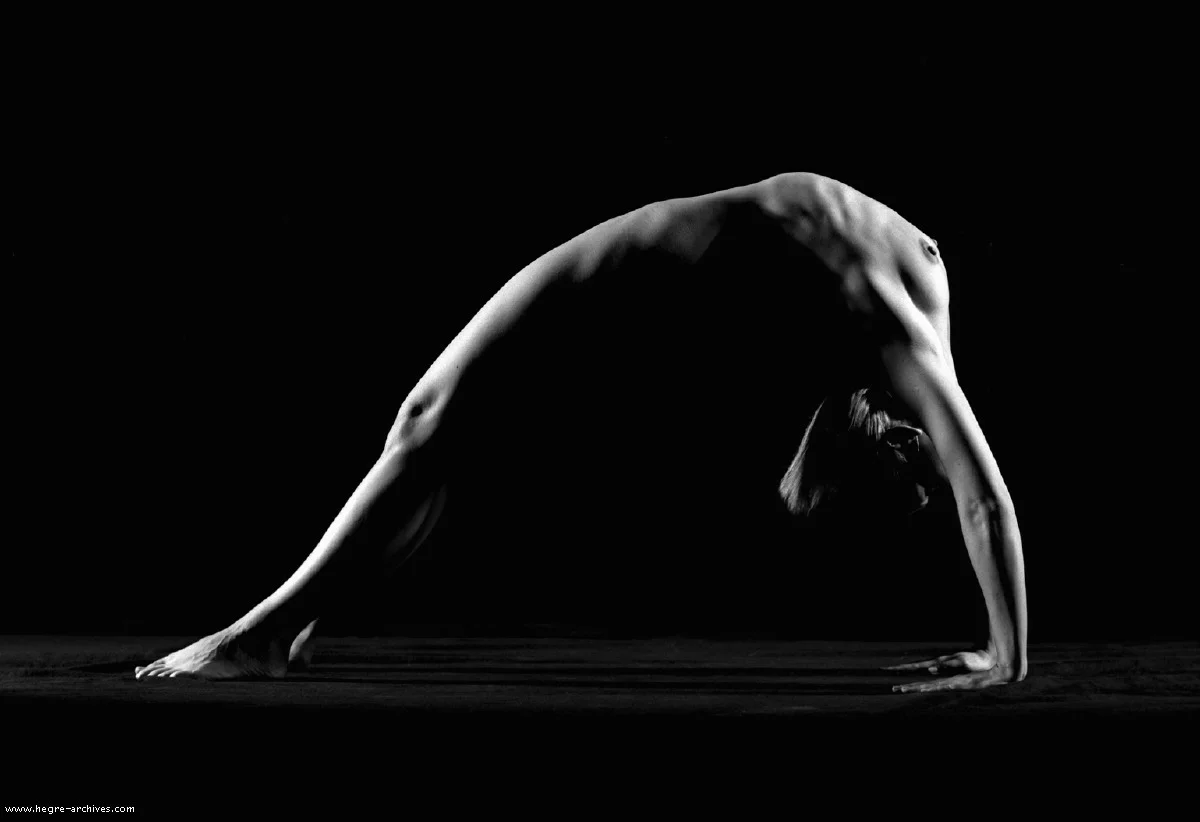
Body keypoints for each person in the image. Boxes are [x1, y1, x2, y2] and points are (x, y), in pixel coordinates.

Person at [134, 172, 1028, 693]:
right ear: (894, 443)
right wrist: (1006, 659)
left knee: (448, 438)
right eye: (887, 495)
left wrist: (998, 645)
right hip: (616, 269)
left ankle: (288, 626)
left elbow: (959, 487)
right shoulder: (888, 325)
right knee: (427, 420)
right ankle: (265, 634)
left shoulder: (900, 319)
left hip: (636, 294)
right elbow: (983, 497)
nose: (807, 492)